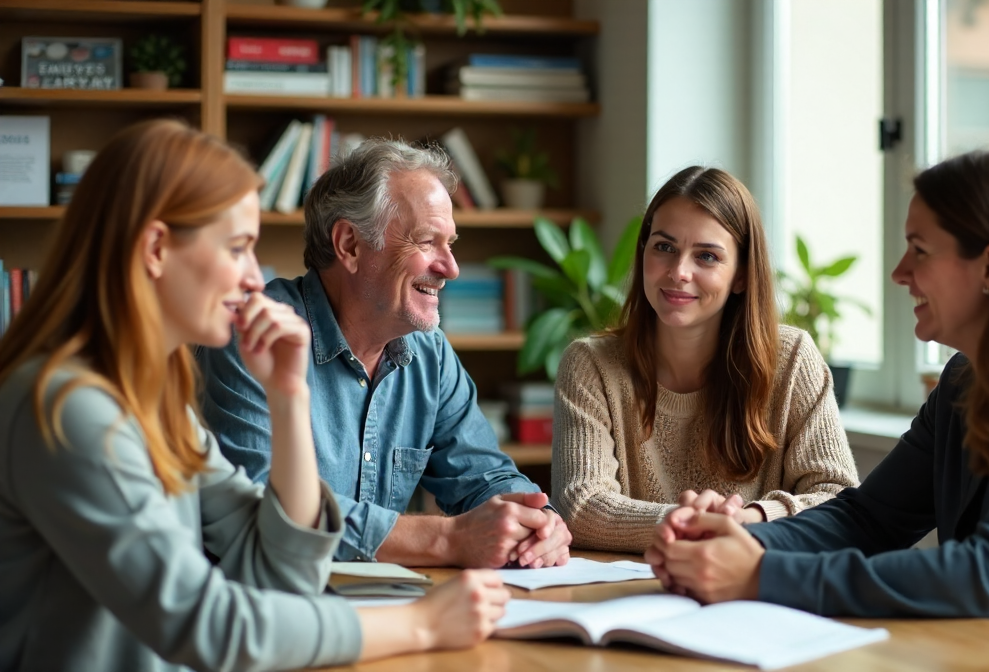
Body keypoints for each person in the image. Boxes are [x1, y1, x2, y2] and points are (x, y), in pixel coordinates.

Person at [645, 149, 989, 666]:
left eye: (920, 249)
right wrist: (738, 536)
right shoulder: (964, 380)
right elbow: (870, 519)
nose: (900, 272)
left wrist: (761, 574)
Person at [0, 120, 510, 672]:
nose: (252, 278)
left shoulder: (152, 403)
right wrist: (424, 623)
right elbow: (207, 626)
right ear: (156, 249)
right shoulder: (68, 408)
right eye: (238, 248)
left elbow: (279, 571)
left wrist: (288, 394)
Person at [195, 138, 571, 569]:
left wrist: (535, 522)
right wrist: (445, 539)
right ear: (350, 245)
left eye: (451, 244)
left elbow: (484, 476)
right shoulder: (255, 339)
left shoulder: (430, 353)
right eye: (427, 241)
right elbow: (260, 513)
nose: (451, 268)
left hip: (385, 604)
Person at [552, 166, 859, 553]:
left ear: (742, 275)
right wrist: (702, 524)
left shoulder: (792, 358)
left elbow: (839, 499)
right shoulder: (591, 364)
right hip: (631, 593)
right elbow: (580, 507)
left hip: (757, 593)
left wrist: (751, 520)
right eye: (664, 247)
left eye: (707, 256)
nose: (679, 272)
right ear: (643, 250)